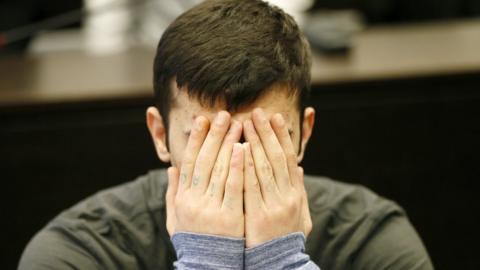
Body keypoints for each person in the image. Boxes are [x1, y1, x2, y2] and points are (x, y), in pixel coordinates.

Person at [19, 0, 434, 269]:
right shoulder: (77, 252)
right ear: (160, 134)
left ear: (304, 134)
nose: (236, 167)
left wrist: (281, 263)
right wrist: (207, 261)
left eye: (263, 139)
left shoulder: (370, 238)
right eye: (207, 141)